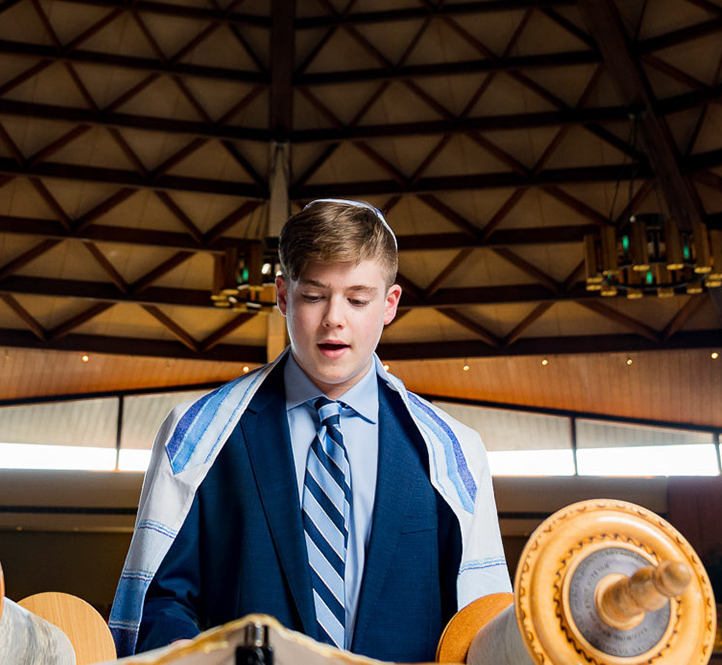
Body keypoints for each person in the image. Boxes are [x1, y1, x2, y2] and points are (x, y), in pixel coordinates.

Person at [110, 199, 508, 662]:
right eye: (314, 296)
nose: (334, 318)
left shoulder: (450, 451)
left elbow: (477, 622)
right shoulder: (201, 434)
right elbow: (161, 599)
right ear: (283, 295)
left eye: (358, 300)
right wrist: (181, 648)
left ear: (389, 304)